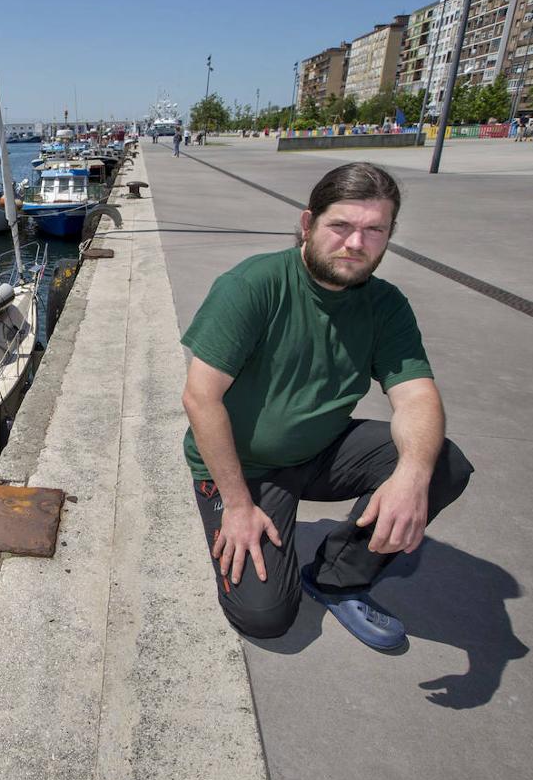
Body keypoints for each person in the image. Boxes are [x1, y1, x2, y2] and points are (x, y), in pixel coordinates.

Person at [180, 162, 473, 650]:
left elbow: (417, 394)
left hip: (322, 449)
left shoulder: (386, 304)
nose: (356, 244)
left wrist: (411, 477)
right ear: (307, 224)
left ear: (388, 235)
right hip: (245, 466)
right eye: (341, 226)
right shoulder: (254, 285)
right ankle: (257, 522)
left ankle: (339, 576)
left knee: (440, 462)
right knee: (266, 616)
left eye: (373, 230)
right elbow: (200, 397)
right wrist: (236, 504)